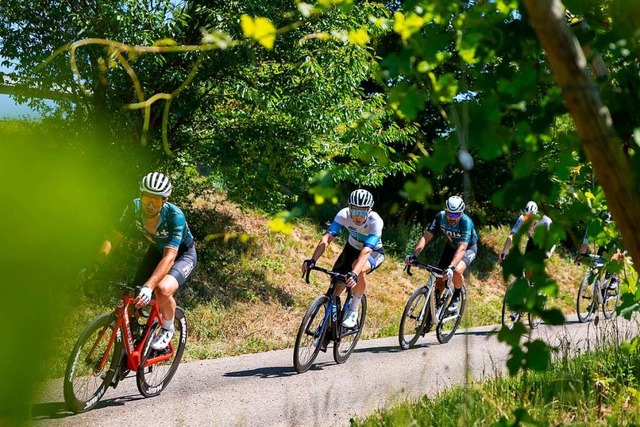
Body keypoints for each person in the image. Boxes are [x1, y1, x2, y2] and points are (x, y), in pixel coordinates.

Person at [81, 172, 197, 350]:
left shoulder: (175, 216)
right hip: (157, 251)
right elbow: (113, 238)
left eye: (156, 201)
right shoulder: (133, 208)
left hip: (181, 254)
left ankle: (167, 328)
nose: (150, 205)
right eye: (146, 199)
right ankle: (125, 354)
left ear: (165, 200)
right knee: (131, 298)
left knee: (162, 289)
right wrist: (95, 266)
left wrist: (149, 287)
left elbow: (169, 257)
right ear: (140, 196)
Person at [301, 189, 385, 328]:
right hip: (351, 248)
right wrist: (313, 260)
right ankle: (330, 323)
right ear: (349, 208)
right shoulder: (343, 214)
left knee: (357, 268)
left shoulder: (375, 221)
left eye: (362, 212)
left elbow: (366, 250)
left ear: (369, 211)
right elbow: (328, 238)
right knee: (336, 283)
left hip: (373, 252)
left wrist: (354, 273)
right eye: (355, 211)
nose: (358, 216)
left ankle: (353, 309)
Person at [405, 195, 478, 312]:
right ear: (445, 211)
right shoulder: (440, 217)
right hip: (451, 247)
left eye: (456, 214)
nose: (452, 217)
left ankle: (456, 297)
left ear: (461, 213)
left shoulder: (466, 222)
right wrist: (414, 255)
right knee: (439, 281)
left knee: (456, 271)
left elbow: (462, 248)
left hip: (468, 248)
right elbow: (426, 236)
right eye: (449, 213)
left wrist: (451, 267)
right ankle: (432, 315)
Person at [574, 211, 624, 287]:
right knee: (599, 263)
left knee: (614, 262)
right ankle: (598, 290)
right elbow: (585, 242)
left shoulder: (615, 225)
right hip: (604, 244)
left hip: (616, 242)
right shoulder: (592, 226)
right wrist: (580, 255)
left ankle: (614, 278)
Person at [498, 201, 556, 265]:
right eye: (526, 217)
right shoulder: (521, 219)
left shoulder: (545, 222)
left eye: (531, 216)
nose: (528, 219)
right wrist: (504, 251)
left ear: (536, 213)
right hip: (533, 238)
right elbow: (511, 235)